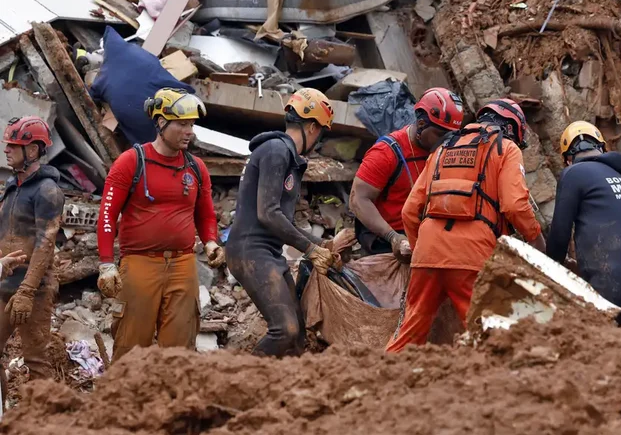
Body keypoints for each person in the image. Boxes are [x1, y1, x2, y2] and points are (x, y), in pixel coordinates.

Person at [387, 99, 545, 352]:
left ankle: (376, 381)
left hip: (427, 254)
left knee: (409, 334)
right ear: (513, 129)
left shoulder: (442, 149)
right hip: (472, 257)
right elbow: (514, 206)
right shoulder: (506, 148)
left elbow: (409, 212)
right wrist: (536, 240)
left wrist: (421, 253)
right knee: (488, 336)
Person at [97, 89, 223, 361]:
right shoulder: (131, 162)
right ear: (161, 122)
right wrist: (107, 264)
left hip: (183, 266)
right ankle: (122, 401)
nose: (189, 131)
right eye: (182, 124)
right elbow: (107, 215)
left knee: (179, 350)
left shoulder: (196, 168)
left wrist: (211, 241)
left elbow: (206, 214)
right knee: (131, 346)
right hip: (140, 264)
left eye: (192, 124)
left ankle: (172, 403)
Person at [226, 88, 337, 358]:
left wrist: (322, 244)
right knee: (284, 330)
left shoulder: (286, 156)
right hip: (251, 251)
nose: (318, 138)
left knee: (297, 335)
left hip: (267, 252)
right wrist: (311, 250)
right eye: (320, 131)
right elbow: (268, 214)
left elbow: (282, 222)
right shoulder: (277, 151)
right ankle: (235, 379)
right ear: (312, 126)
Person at [546, 121, 621, 326]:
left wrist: (547, 273)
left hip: (609, 283)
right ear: (602, 148)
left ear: (568, 159)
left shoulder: (575, 173)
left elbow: (560, 235)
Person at [350, 88, 465, 263]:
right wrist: (392, 237)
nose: (446, 141)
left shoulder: (442, 151)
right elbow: (358, 199)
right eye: (440, 134)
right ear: (421, 125)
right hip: (388, 239)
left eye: (451, 135)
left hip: (425, 236)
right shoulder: (387, 152)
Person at [0, 117, 64, 398]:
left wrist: (27, 290)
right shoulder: (13, 187)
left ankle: (44, 429)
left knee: (36, 361)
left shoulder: (48, 190)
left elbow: (45, 242)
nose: (6, 150)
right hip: (4, 285)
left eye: (14, 145)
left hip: (33, 291)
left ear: (34, 151)